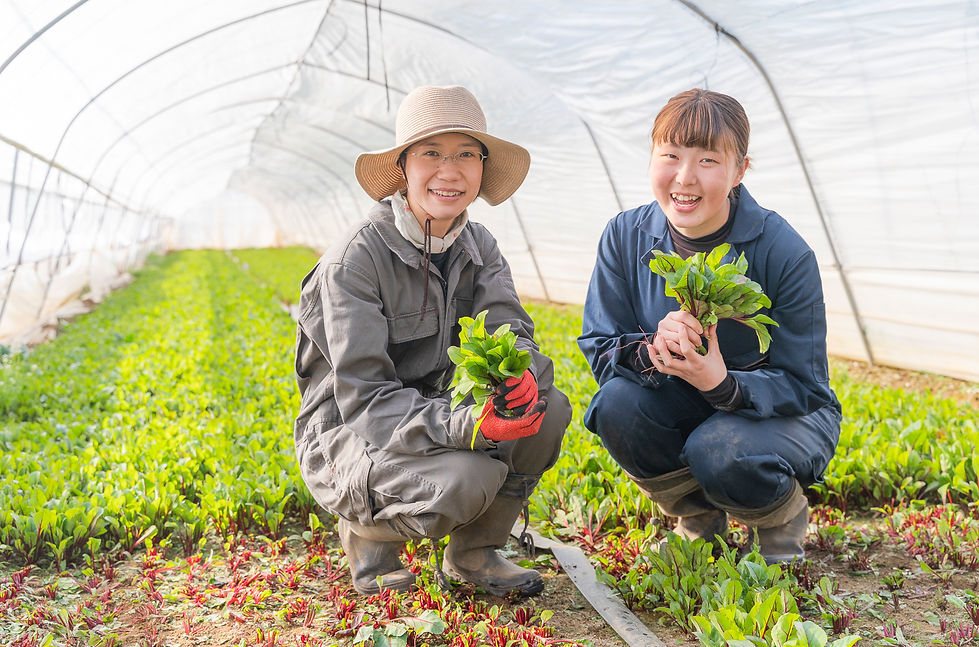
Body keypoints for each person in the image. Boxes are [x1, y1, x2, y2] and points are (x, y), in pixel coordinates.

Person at [293, 85, 571, 596]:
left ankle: (474, 554)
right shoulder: (355, 261)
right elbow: (367, 400)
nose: (451, 170)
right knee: (468, 479)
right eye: (432, 153)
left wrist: (521, 381)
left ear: (483, 168)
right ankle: (366, 538)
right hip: (350, 435)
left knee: (548, 410)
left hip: (429, 413)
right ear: (403, 167)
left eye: (467, 154)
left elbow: (510, 332)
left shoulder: (477, 244)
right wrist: (468, 424)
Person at [577, 88, 841, 563]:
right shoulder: (624, 236)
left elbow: (806, 384)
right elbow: (601, 345)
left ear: (740, 170)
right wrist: (649, 350)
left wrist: (723, 384)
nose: (684, 177)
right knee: (615, 405)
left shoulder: (784, 252)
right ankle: (699, 519)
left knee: (721, 448)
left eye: (708, 160)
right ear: (652, 159)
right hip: (686, 400)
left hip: (786, 415)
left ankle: (779, 525)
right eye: (671, 156)